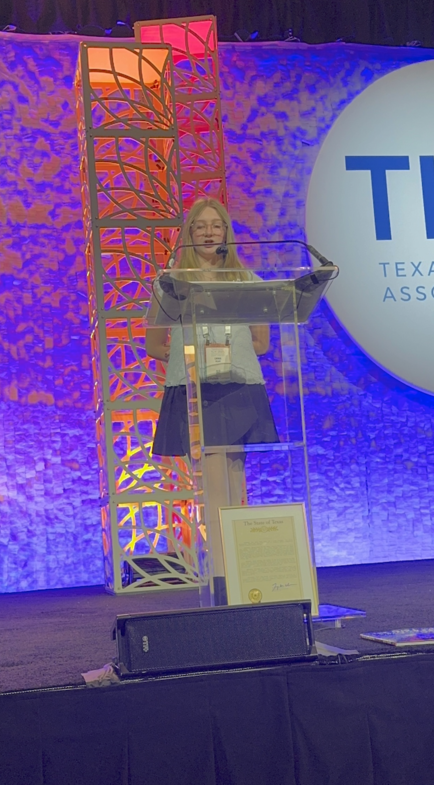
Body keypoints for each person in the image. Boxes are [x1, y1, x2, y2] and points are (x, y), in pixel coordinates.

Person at [145, 198, 279, 603]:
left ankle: (237, 575)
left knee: (234, 485)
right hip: (192, 392)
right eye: (200, 226)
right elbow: (154, 344)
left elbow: (262, 342)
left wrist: (230, 353)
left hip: (236, 389)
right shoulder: (170, 281)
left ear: (226, 233)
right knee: (209, 487)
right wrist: (192, 359)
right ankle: (220, 576)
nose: (208, 233)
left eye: (216, 226)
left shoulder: (247, 281)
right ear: (188, 234)